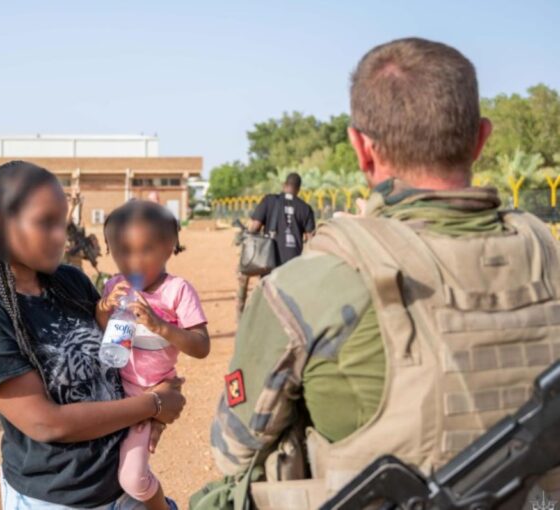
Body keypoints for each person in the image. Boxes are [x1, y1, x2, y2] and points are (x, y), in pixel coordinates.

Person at [204, 38, 560, 509]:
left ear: (362, 149)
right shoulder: (546, 252)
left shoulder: (311, 285)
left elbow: (232, 449)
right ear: (481, 138)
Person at [0, 161, 186, 510]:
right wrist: (152, 405)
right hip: (60, 499)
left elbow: (120, 355)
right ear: (1, 224)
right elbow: (48, 423)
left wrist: (157, 395)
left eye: (63, 222)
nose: (61, 236)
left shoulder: (71, 282)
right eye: (46, 223)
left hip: (123, 484)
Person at [100, 200, 210, 510]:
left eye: (145, 250)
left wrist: (161, 327)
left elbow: (201, 346)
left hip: (150, 395)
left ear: (169, 245)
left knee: (134, 479)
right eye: (122, 251)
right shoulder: (114, 285)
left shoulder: (177, 291)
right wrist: (104, 308)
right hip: (113, 389)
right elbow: (100, 327)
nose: (132, 262)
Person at [235, 173, 315, 318]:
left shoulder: (269, 200)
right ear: (298, 189)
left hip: (269, 263)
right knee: (290, 302)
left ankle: (241, 315)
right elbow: (311, 240)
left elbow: (253, 227)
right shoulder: (306, 208)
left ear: (284, 185)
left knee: (256, 287)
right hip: (293, 264)